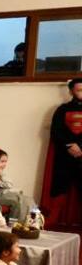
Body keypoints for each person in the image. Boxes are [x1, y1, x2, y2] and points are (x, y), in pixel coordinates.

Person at [44, 78, 82, 228]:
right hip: (65, 156)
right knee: (59, 188)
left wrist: (80, 147)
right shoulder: (62, 110)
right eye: (79, 89)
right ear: (71, 91)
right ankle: (52, 222)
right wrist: (69, 145)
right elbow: (56, 131)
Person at [0, 148, 37, 222]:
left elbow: (8, 184)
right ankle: (13, 224)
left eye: (5, 161)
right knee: (18, 201)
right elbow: (8, 185)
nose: (4, 164)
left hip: (1, 193)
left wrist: (0, 173)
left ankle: (32, 219)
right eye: (2, 161)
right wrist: (1, 173)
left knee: (29, 199)